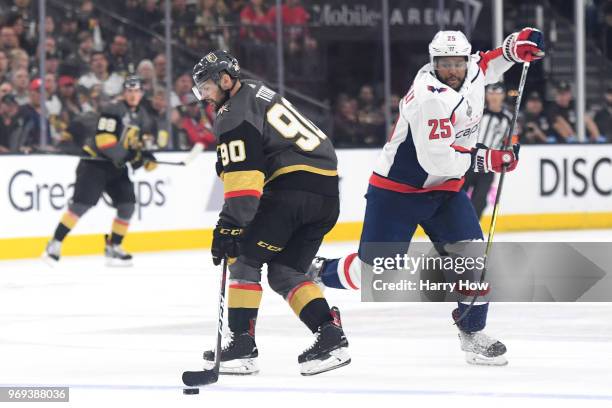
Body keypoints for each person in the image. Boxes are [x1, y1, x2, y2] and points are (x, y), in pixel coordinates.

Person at [308, 29, 545, 366]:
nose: (452, 69)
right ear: (433, 64)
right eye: (444, 63)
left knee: (473, 261)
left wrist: (514, 47)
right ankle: (318, 270)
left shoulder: (471, 71)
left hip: (444, 191)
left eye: (457, 62)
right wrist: (488, 159)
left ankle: (472, 332)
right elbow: (438, 159)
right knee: (373, 275)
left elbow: (487, 65)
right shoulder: (430, 97)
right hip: (398, 191)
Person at [191, 50, 350, 376]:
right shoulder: (258, 93)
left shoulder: (233, 112)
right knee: (286, 271)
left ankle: (241, 348)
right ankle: (330, 336)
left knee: (244, 258)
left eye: (207, 87)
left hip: (291, 193)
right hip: (325, 195)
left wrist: (229, 225)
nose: (205, 96)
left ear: (225, 79)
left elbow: (245, 184)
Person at [43, 76, 157, 267]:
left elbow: (138, 145)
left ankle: (114, 246)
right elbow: (105, 142)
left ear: (142, 93)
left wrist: (145, 159)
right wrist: (131, 156)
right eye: (129, 91)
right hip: (94, 164)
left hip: (116, 167)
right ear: (124, 93)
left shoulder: (143, 116)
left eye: (136, 91)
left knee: (127, 204)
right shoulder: (113, 110)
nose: (133, 95)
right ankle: (54, 243)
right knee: (81, 205)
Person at [462, 83, 513, 220]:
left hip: (488, 163)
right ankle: (455, 225)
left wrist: (507, 156)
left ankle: (471, 227)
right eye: (491, 93)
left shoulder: (508, 118)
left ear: (503, 95)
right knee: (458, 195)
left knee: (480, 199)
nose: (494, 96)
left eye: (498, 93)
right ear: (486, 95)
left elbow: (509, 142)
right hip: (468, 160)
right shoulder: (477, 112)